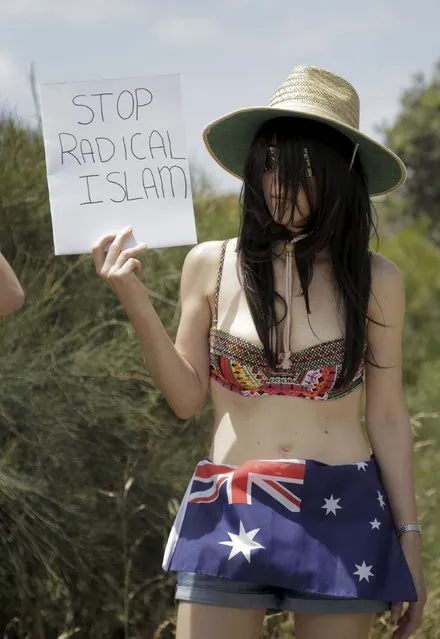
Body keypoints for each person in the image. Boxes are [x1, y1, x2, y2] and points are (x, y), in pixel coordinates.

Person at [92, 65, 426, 639]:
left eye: (296, 168)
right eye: (267, 163)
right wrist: (134, 300)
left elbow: (388, 416)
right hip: (231, 502)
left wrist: (409, 541)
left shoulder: (375, 279)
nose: (276, 182)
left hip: (343, 512)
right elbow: (184, 398)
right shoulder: (212, 264)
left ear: (336, 175)